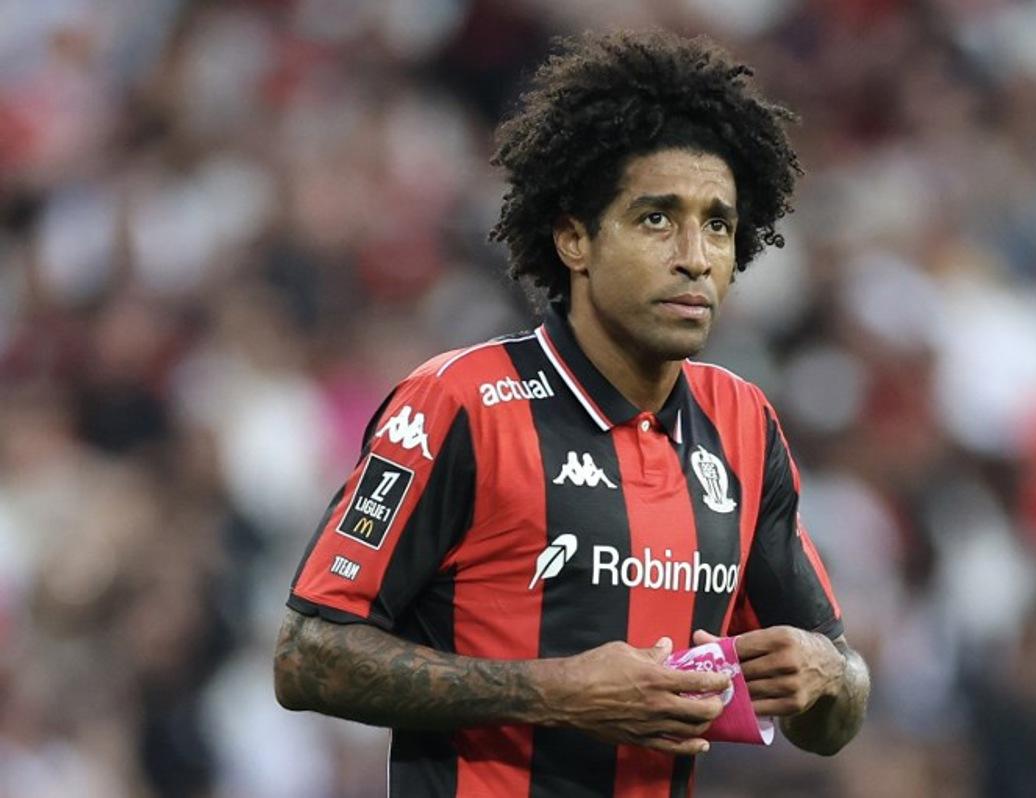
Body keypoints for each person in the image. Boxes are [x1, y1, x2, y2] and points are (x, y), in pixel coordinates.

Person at [274, 29, 870, 797]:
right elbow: (305, 657)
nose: (695, 254)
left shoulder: (743, 425)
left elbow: (832, 717)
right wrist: (556, 693)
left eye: (718, 224)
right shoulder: (463, 403)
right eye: (658, 218)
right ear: (574, 238)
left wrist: (830, 675)